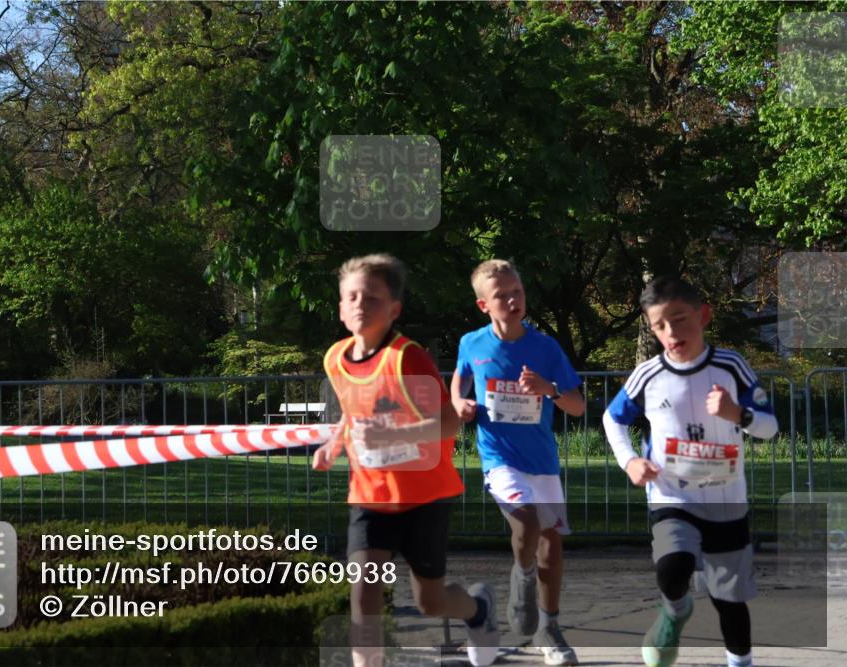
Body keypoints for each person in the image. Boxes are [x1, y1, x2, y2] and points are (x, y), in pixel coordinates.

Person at [312, 254, 500, 667]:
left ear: (394, 309)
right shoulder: (335, 359)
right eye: (352, 297)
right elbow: (352, 412)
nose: (360, 305)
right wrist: (334, 444)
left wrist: (391, 435)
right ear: (341, 308)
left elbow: (448, 423)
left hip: (424, 496)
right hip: (370, 496)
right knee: (364, 595)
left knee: (430, 602)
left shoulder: (406, 358)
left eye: (372, 298)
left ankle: (478, 609)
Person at [602, 275, 778, 667]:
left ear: (703, 316)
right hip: (672, 494)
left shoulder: (731, 366)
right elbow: (612, 419)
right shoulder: (648, 374)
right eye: (659, 325)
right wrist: (630, 461)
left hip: (726, 499)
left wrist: (737, 413)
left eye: (679, 319)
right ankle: (675, 609)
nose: (671, 332)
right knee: (672, 566)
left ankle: (740, 662)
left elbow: (769, 427)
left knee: (728, 598)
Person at [450, 259, 584, 666]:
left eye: (518, 292)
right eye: (502, 295)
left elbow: (577, 406)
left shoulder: (545, 348)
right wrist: (458, 401)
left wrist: (549, 389)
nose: (512, 300)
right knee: (525, 522)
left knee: (551, 545)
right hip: (499, 458)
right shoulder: (472, 343)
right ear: (483, 305)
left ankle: (549, 629)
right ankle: (522, 581)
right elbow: (461, 377)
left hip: (541, 460)